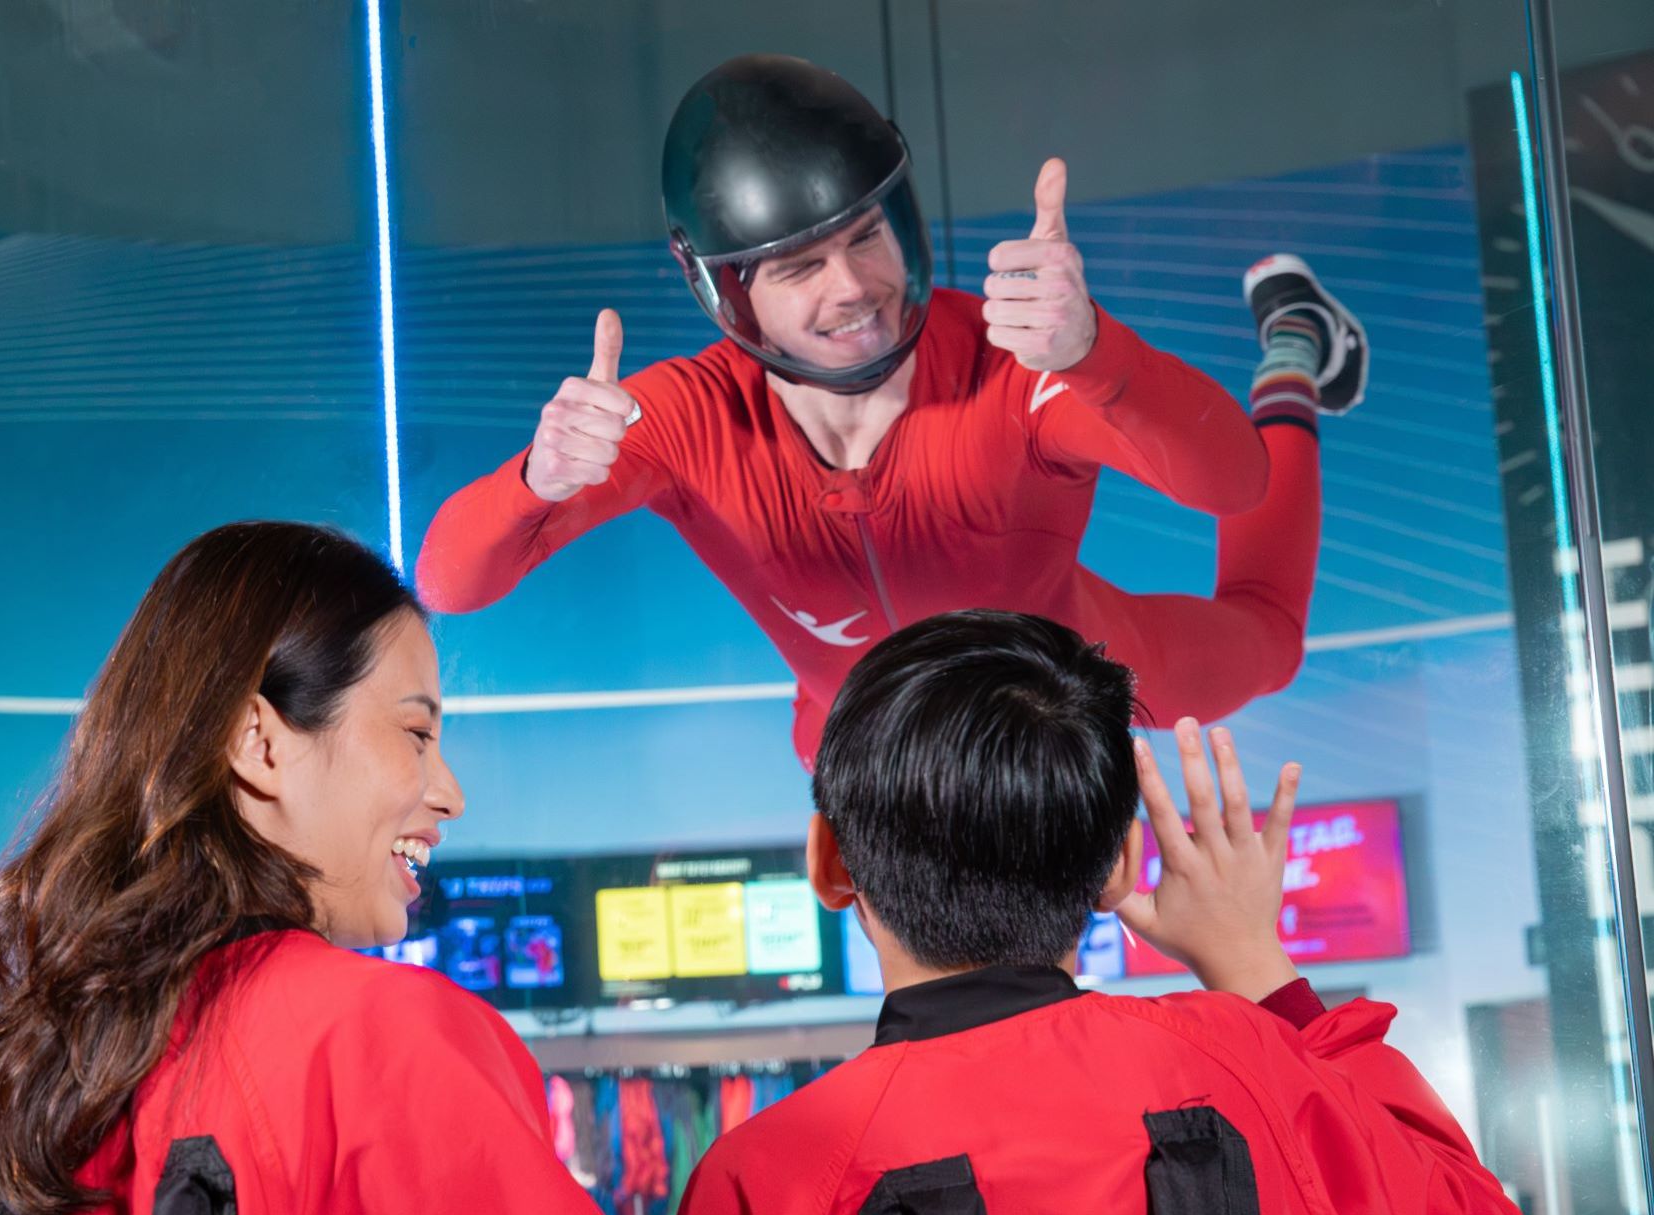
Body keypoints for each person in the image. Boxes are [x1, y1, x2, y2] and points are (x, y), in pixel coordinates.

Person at [415, 54, 1369, 768]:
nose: (855, 290)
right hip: (864, 738)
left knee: (1270, 644)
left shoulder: (1009, 366)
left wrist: (1093, 354)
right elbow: (450, 582)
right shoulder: (680, 420)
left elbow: (1233, 482)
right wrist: (538, 479)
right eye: (800, 267)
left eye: (868, 236)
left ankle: (1295, 344)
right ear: (722, 288)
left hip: (1072, 671)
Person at [669, 610, 1533, 1215]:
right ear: (1120, 863)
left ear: (828, 863)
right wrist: (1254, 965)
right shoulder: (1249, 1060)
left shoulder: (763, 1179)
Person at [0, 521, 640, 1215]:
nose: (450, 794)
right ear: (258, 743)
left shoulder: (14, 1111)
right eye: (416, 732)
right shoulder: (389, 1041)